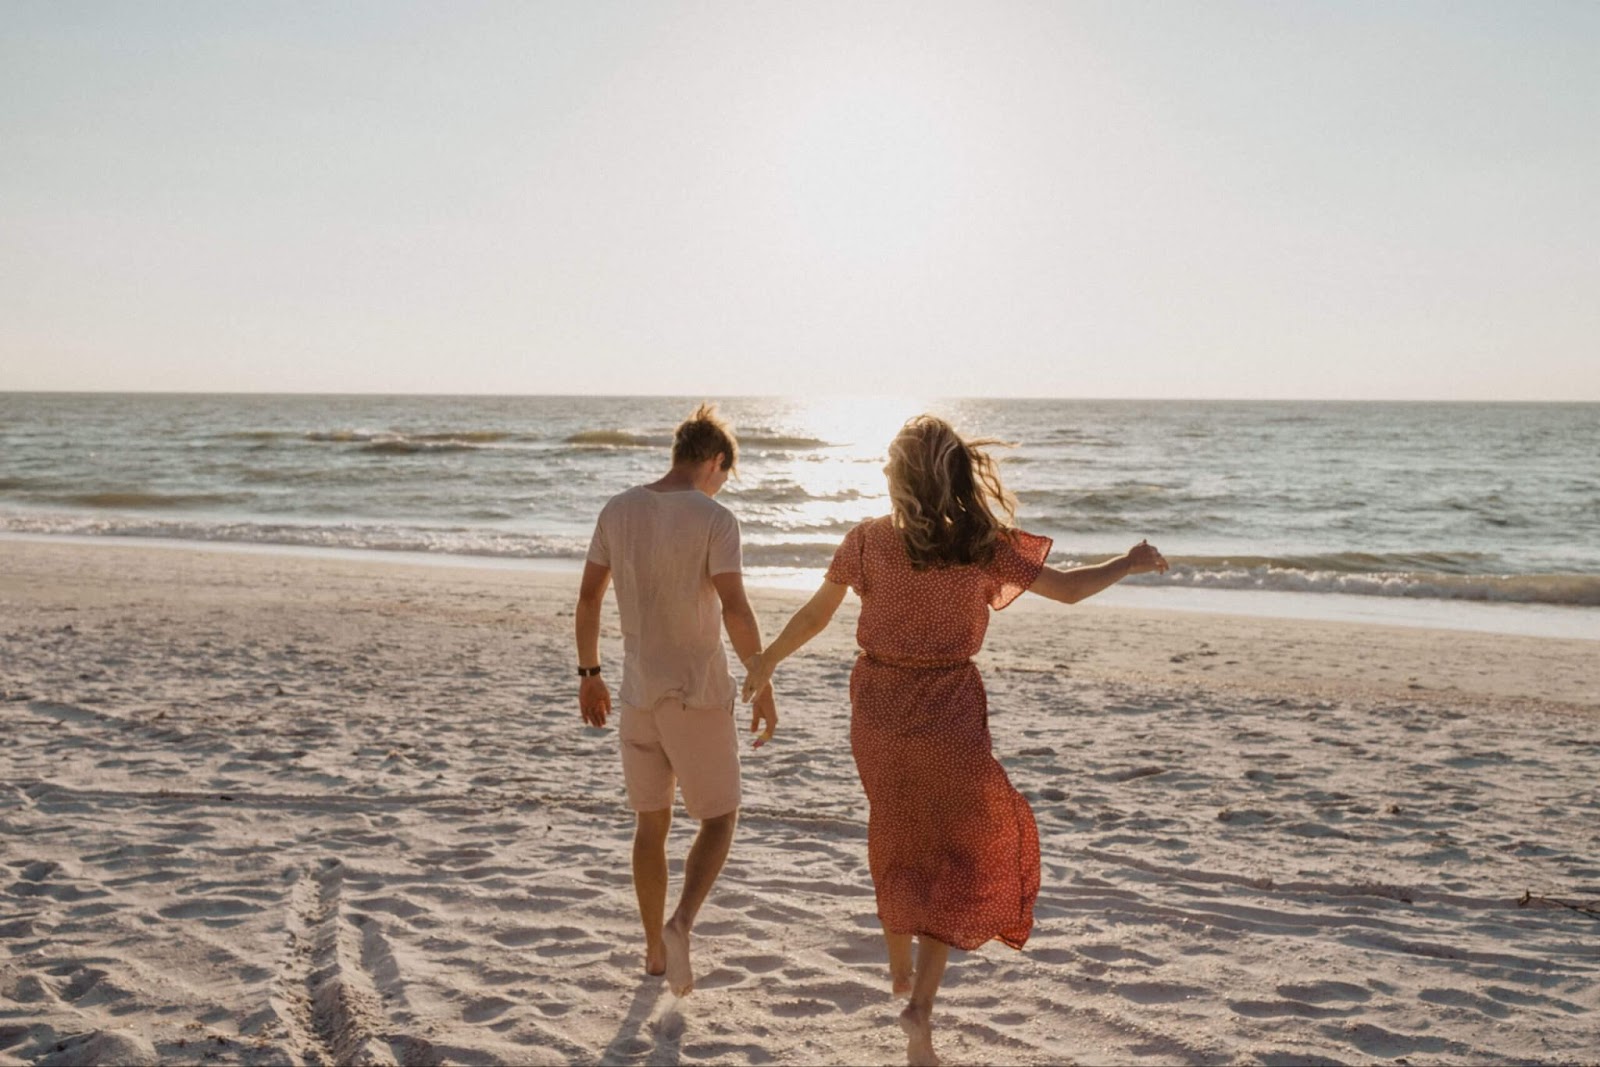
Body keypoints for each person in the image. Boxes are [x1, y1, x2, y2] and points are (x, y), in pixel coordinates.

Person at [740, 414, 1168, 1067]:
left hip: (879, 708)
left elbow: (817, 614)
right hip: (948, 710)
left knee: (896, 829)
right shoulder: (980, 545)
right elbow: (1071, 590)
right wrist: (1129, 561)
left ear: (901, 476)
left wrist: (768, 659)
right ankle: (919, 1005)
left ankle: (896, 964)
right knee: (953, 851)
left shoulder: (867, 542)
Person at [575, 402, 778, 997]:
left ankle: (653, 952)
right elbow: (735, 609)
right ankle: (681, 924)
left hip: (636, 692)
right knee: (719, 819)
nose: (721, 484)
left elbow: (588, 601)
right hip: (696, 693)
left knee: (651, 824)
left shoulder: (618, 509)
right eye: (724, 473)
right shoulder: (715, 518)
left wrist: (589, 673)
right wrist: (761, 680)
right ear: (715, 461)